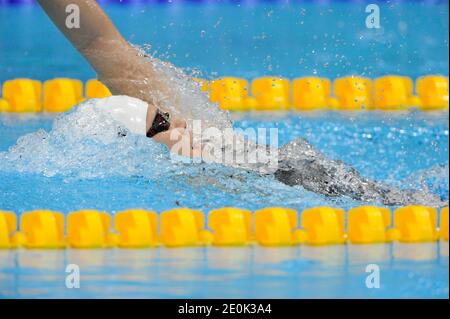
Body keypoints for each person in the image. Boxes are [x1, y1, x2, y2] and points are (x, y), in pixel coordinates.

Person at [37, 0, 445, 206]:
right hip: (276, 171)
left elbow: (101, 44)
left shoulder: (159, 127)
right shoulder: (157, 134)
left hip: (286, 174)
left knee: (393, 202)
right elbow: (97, 42)